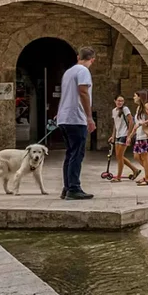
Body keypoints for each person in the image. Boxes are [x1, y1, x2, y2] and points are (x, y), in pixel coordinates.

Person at [58, 46, 96, 200]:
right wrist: (89, 117)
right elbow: (83, 92)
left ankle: (67, 187)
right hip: (76, 118)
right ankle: (74, 188)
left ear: (77, 57)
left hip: (64, 117)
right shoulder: (83, 71)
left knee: (70, 153)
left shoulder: (69, 72)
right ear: (92, 59)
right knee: (77, 154)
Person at [108, 96, 141, 181]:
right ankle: (135, 170)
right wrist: (113, 135)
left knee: (119, 156)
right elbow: (115, 124)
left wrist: (129, 135)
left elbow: (131, 121)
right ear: (115, 101)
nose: (120, 102)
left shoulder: (125, 109)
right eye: (118, 101)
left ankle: (118, 177)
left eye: (122, 101)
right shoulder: (114, 111)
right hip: (118, 135)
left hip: (124, 134)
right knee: (119, 156)